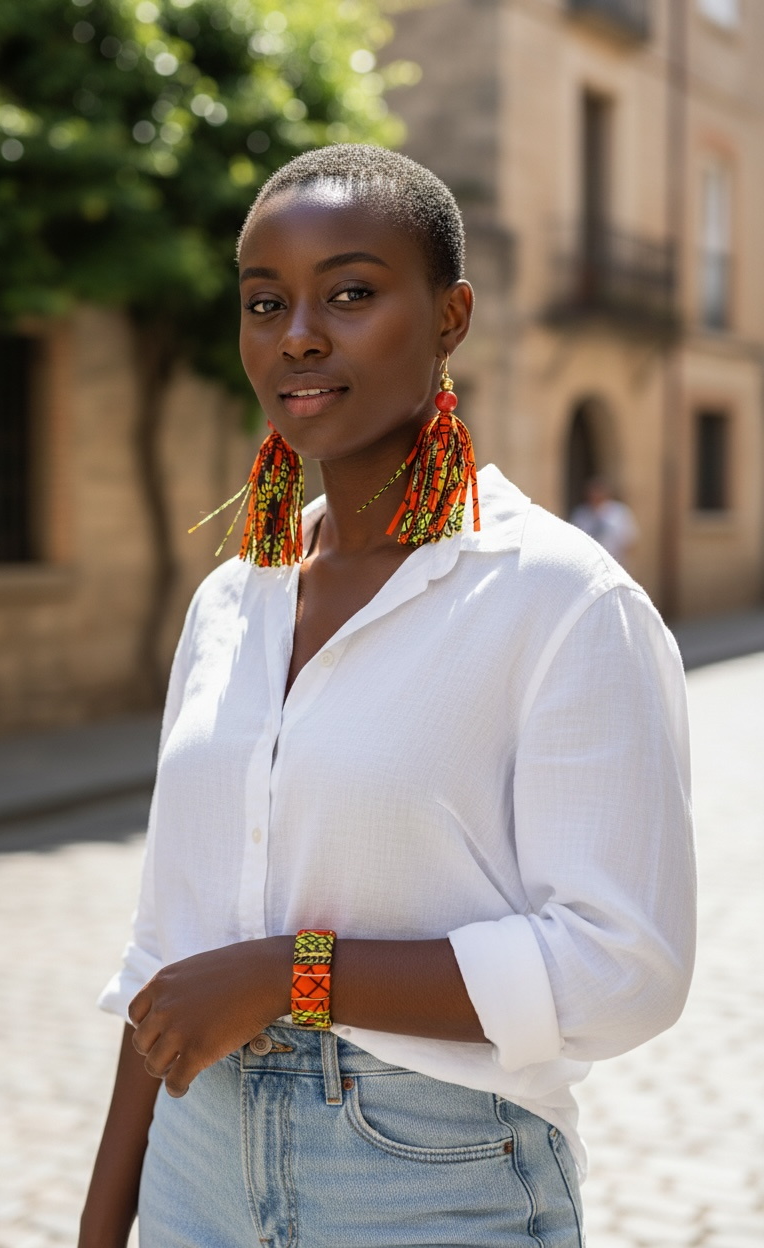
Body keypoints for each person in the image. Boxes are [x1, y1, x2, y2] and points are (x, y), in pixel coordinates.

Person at [79, 145, 696, 1248]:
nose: (298, 335)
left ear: (451, 317)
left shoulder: (560, 601)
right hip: (191, 1161)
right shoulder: (231, 602)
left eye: (351, 294)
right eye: (265, 303)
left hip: (424, 1174)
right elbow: (166, 956)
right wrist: (102, 1224)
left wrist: (292, 976)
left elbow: (624, 968)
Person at [570, 476, 639, 569]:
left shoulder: (619, 512)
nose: (596, 495)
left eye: (599, 491)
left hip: (615, 564)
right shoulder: (581, 514)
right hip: (588, 565)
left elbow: (630, 540)